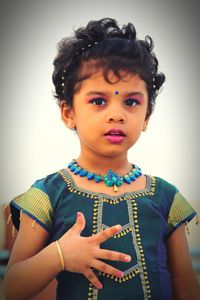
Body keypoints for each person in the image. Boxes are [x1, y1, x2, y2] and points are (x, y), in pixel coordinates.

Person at [3, 17, 200, 300]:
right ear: (68, 113)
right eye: (98, 101)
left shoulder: (166, 197)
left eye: (131, 102)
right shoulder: (48, 195)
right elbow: (12, 288)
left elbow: (185, 282)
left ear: (146, 117)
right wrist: (60, 255)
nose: (117, 114)